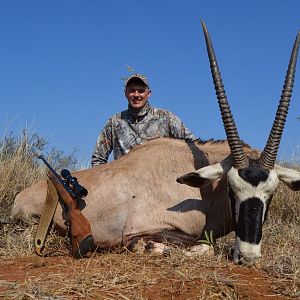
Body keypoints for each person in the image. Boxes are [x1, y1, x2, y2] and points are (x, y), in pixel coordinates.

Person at [91, 74, 196, 166]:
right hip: (124, 185)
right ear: (125, 93)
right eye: (132, 91)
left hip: (160, 183)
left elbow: (194, 146)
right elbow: (98, 159)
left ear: (148, 93)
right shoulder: (115, 121)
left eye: (141, 91)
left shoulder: (166, 117)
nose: (136, 95)